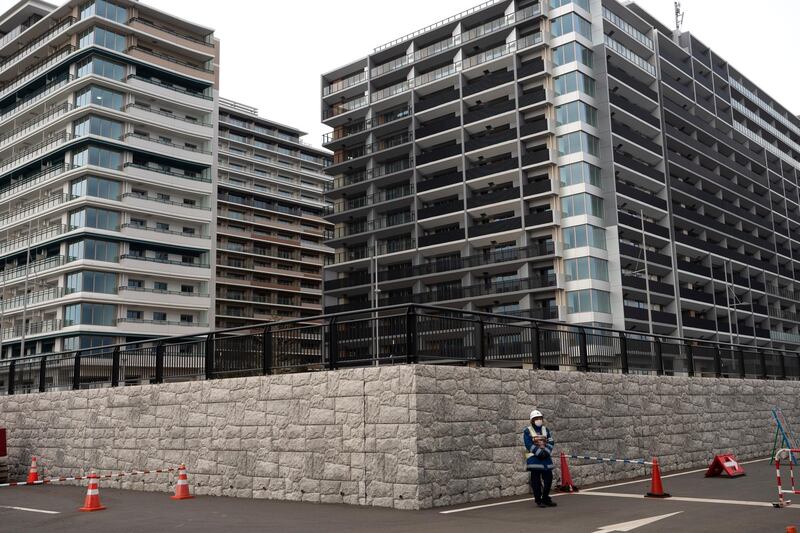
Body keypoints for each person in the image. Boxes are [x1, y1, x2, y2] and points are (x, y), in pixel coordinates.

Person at [523, 409, 556, 508]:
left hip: (546, 458)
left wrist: (546, 452)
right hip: (534, 460)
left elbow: (551, 441)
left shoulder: (546, 430)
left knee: (549, 479)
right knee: (536, 482)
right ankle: (538, 500)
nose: (538, 420)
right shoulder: (527, 431)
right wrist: (539, 452)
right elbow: (528, 444)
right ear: (532, 420)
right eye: (536, 419)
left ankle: (545, 498)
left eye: (540, 418)